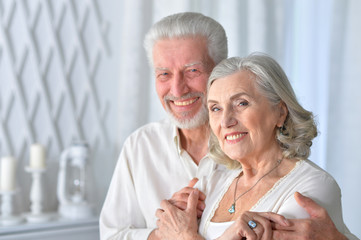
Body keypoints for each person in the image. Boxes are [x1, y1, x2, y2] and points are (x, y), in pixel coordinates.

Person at [99, 12, 357, 240]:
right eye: (164, 73)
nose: (177, 89)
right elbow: (118, 234)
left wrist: (183, 235)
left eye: (192, 70)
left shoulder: (308, 188)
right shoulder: (217, 178)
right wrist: (163, 231)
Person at [154, 54, 358, 240]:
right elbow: (165, 231)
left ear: (280, 112)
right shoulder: (212, 179)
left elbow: (176, 233)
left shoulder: (311, 189)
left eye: (241, 103)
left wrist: (184, 235)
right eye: (215, 108)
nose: (225, 121)